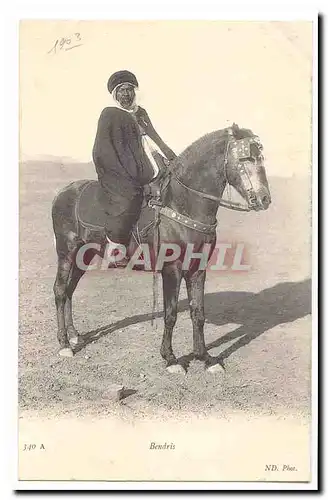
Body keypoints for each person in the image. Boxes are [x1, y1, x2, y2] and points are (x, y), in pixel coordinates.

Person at [92, 70, 176, 256]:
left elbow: (155, 137)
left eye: (130, 89)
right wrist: (124, 171)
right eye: (121, 90)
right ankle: (116, 245)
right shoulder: (109, 114)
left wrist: (171, 157)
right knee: (128, 198)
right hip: (122, 168)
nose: (126, 94)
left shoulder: (141, 112)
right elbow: (102, 149)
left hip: (150, 160)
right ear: (115, 94)